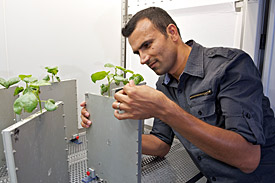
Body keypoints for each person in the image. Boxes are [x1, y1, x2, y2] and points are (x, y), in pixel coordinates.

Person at [81, 7, 275, 182]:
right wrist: (104, 128)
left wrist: (164, 108)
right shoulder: (164, 84)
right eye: (137, 52)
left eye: (147, 45)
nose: (142, 59)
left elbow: (248, 158)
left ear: (172, 32)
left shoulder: (230, 66)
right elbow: (161, 144)